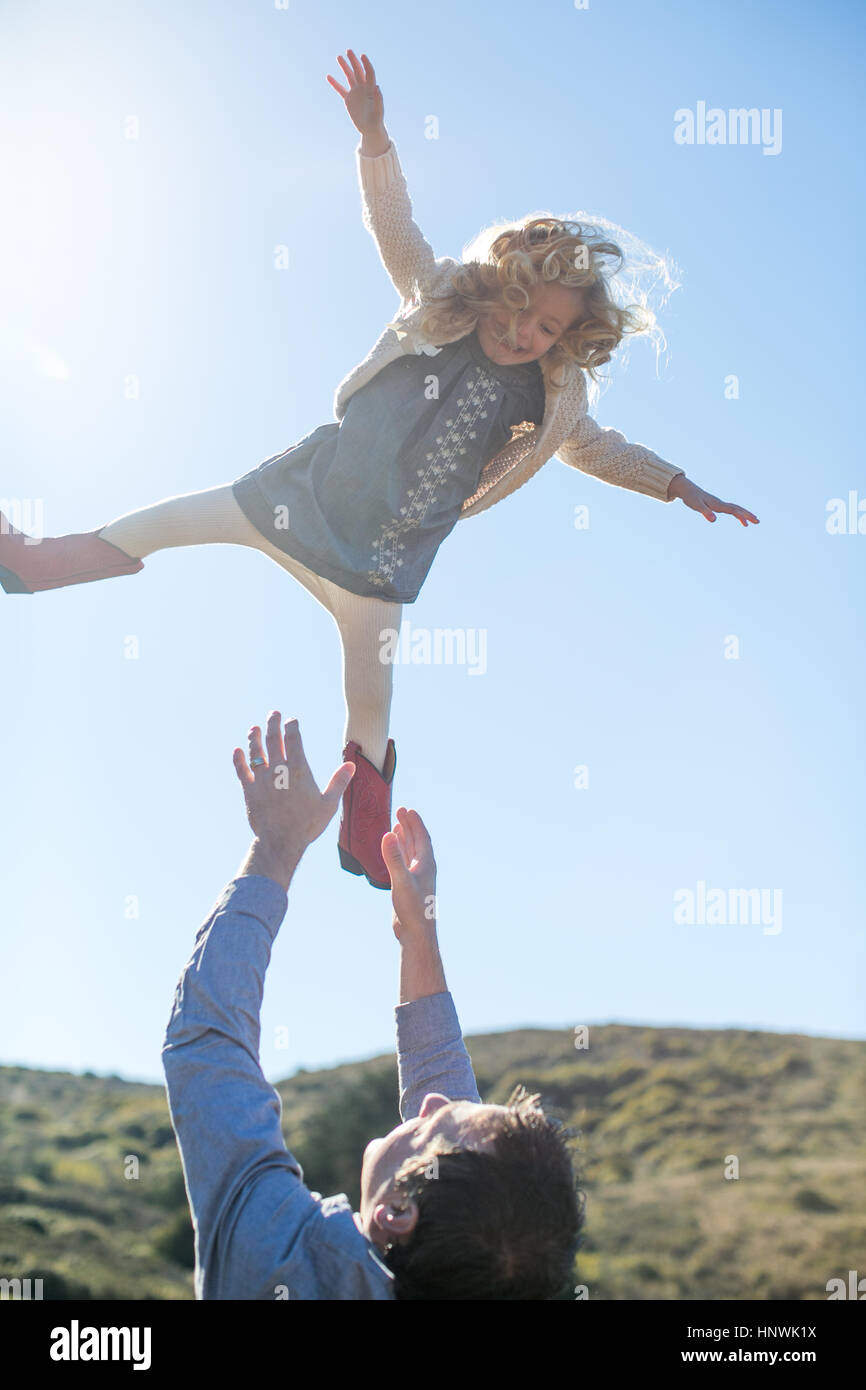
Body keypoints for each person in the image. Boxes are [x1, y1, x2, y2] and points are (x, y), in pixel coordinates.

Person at [0, 49, 758, 891]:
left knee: (371, 712)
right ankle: (33, 563)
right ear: (500, 284)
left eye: (548, 330)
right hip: (296, 499)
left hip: (379, 563)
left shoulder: (555, 395)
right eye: (522, 311)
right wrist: (375, 137)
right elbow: (396, 228)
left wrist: (677, 483)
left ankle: (363, 840)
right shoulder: (439, 299)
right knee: (161, 524)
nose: (526, 335)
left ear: (566, 341)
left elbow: (596, 447)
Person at [161, 710, 584, 1300]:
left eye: (439, 1120)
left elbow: (207, 1044)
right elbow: (453, 1150)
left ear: (398, 1214)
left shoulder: (275, 1263)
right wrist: (418, 937)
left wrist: (277, 845)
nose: (435, 1100)